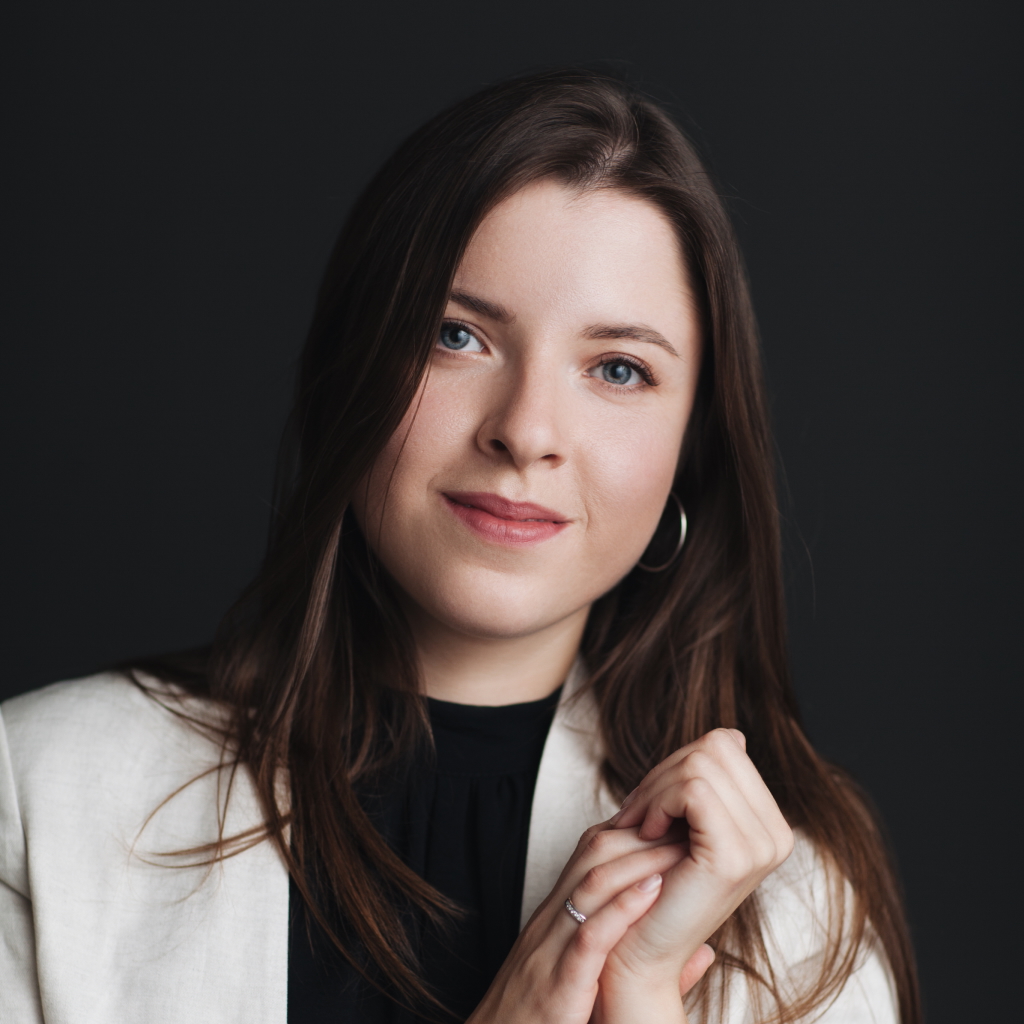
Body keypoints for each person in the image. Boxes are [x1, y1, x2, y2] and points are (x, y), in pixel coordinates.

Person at [0, 69, 920, 1024]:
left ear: (692, 448)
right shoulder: (40, 795)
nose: (525, 432)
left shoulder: (795, 906)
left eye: (618, 369)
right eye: (456, 335)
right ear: (350, 368)